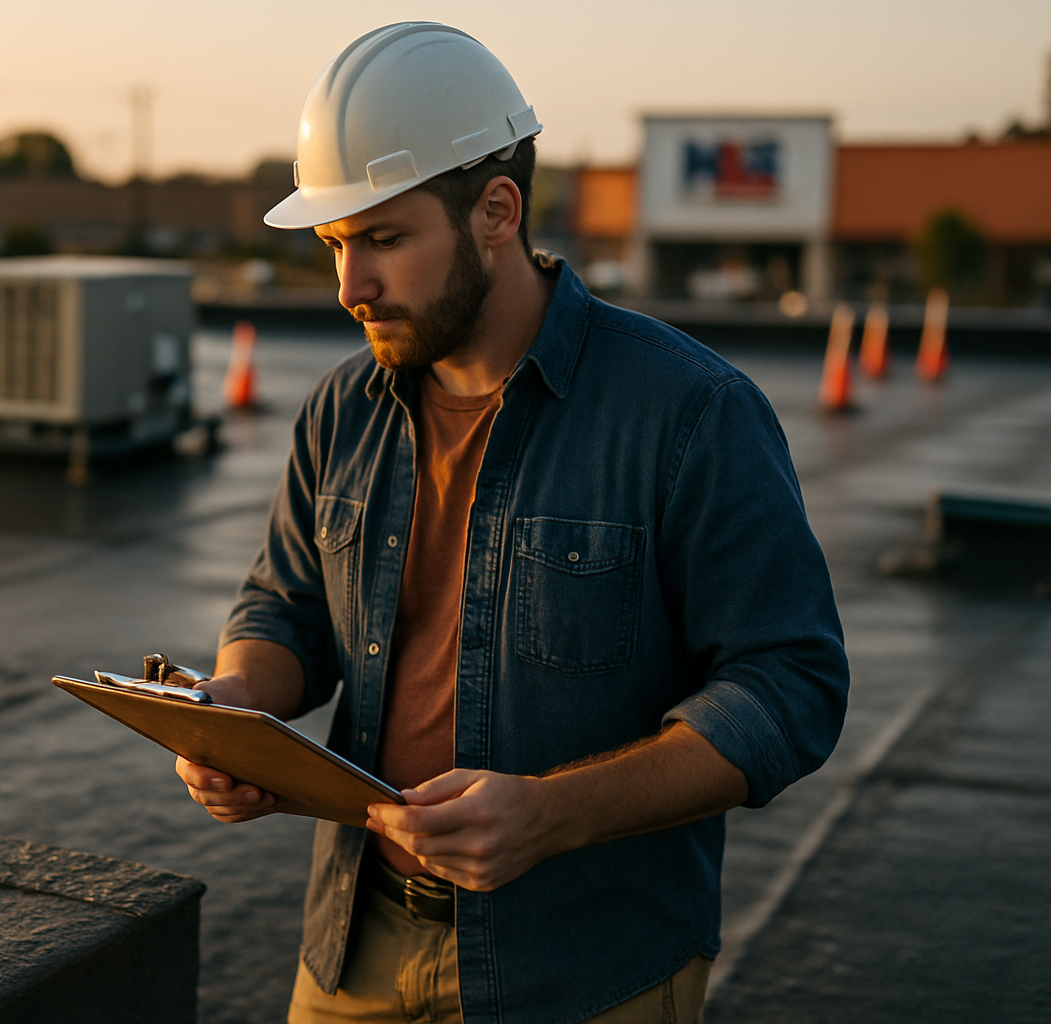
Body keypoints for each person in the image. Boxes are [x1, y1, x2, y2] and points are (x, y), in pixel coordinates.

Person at [174, 22, 847, 1024]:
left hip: (584, 968)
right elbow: (287, 607)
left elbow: (791, 685)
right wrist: (234, 708)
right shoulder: (341, 408)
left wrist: (550, 815)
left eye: (385, 240)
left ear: (497, 211)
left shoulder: (689, 411)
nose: (350, 287)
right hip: (354, 944)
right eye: (334, 245)